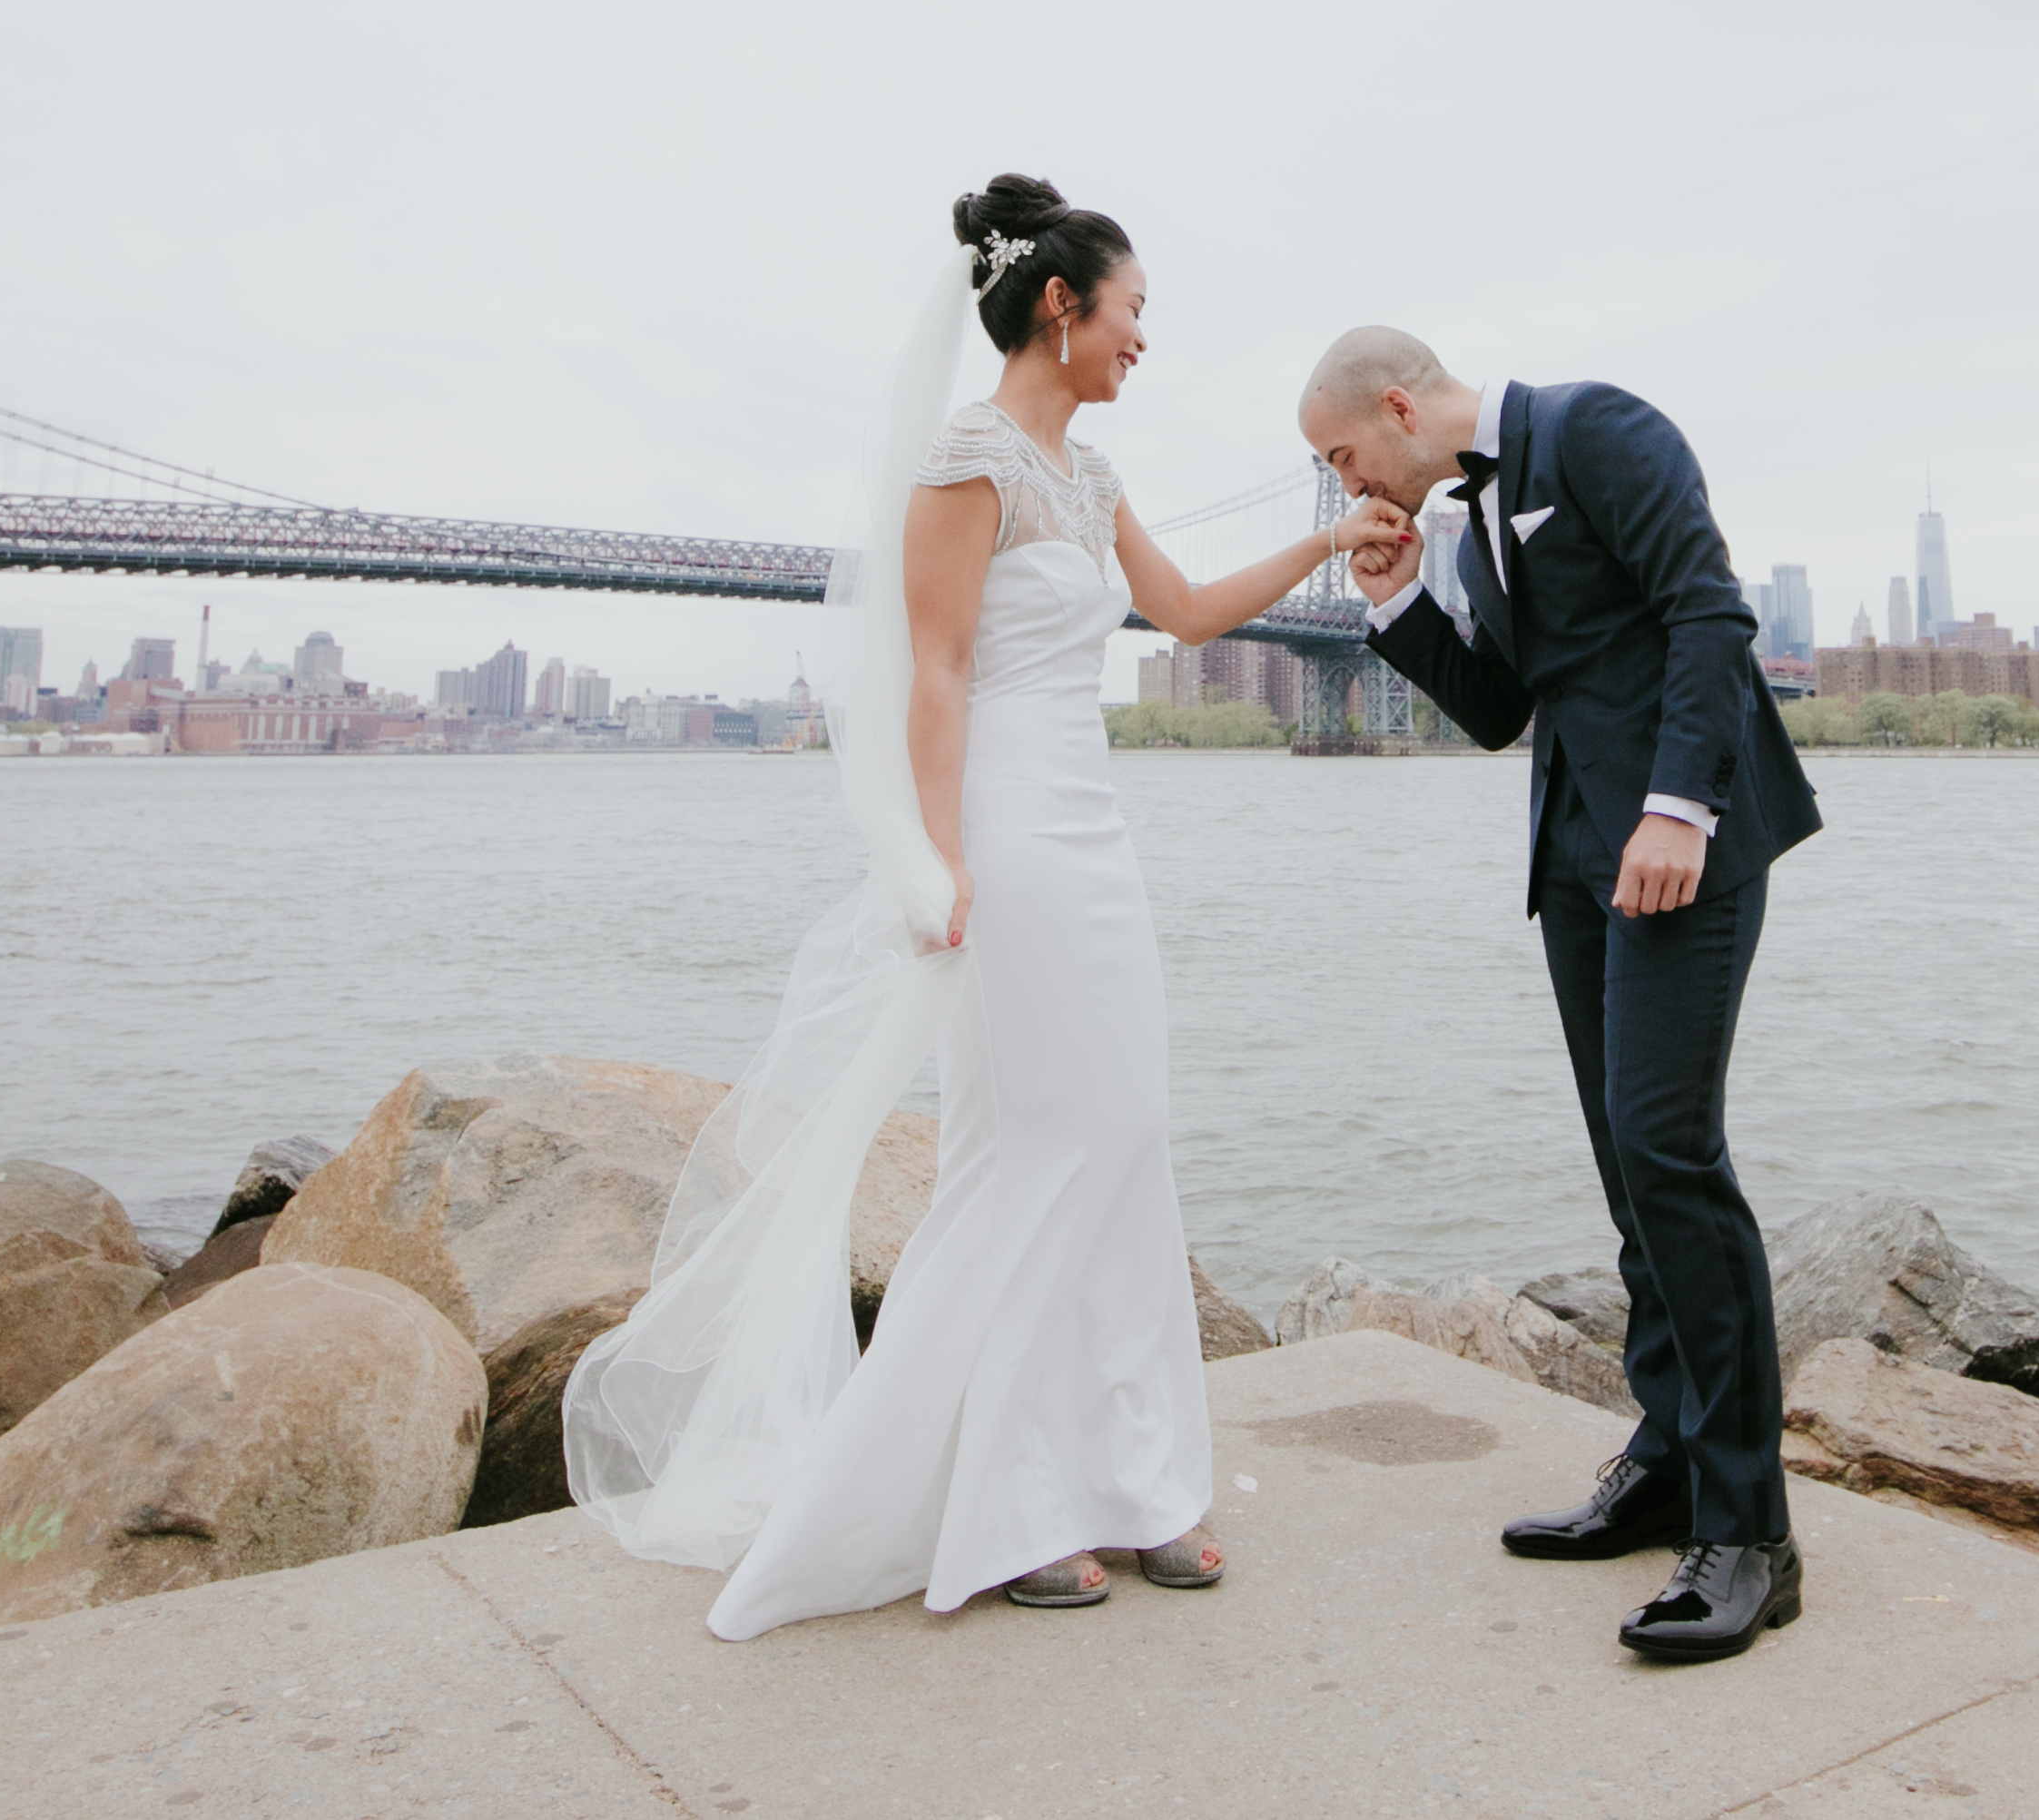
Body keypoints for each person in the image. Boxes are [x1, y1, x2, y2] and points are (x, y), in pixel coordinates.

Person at [564, 173, 1404, 1635]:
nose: (1145, 342)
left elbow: (1193, 613)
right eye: (1133, 311)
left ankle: (1133, 1481)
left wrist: (1330, 542)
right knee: (1025, 1154)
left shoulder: (1090, 481)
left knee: (1124, 1139)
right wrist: (936, 864)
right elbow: (935, 672)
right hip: (1006, 833)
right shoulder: (966, 462)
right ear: (1062, 306)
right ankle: (1009, 1504)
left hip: (1093, 828)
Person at [1300, 329, 1822, 1663]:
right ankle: (1665, 1463)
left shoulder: (1599, 428)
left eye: (1342, 455)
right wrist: (1397, 599)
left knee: (1671, 1152)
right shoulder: (1470, 526)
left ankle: (1750, 1530)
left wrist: (1676, 808)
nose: (1342, 479)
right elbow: (1497, 711)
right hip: (1579, 869)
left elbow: (1708, 611)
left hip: (1680, 847)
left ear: (1398, 406)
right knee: (1624, 1171)